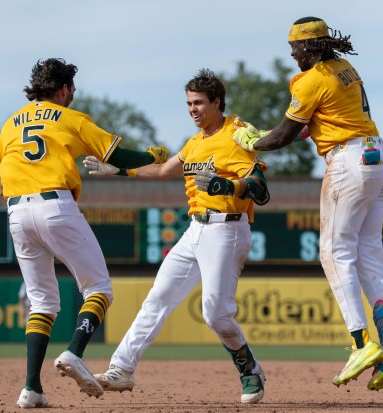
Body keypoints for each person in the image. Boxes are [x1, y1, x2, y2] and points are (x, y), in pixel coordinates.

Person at [232, 17, 383, 391]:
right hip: (379, 156)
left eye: (295, 46)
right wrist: (271, 135)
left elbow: (286, 134)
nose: (291, 52)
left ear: (311, 46)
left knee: (334, 252)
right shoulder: (345, 68)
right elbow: (312, 123)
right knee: (368, 254)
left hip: (349, 162)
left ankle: (361, 343)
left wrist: (253, 141)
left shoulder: (310, 78)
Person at [0, 57, 169, 409]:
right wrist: (150, 155)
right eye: (72, 88)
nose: (73, 94)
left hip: (16, 211)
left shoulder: (11, 123)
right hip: (56, 205)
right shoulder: (71, 118)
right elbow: (117, 155)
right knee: (98, 287)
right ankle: (74, 351)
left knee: (41, 303)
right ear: (65, 88)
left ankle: (31, 388)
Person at [83, 69, 270, 404]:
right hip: (195, 229)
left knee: (216, 314)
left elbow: (259, 187)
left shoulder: (235, 135)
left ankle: (249, 369)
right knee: (158, 297)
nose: (192, 109)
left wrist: (228, 185)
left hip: (227, 228)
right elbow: (163, 170)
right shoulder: (195, 143)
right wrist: (120, 170)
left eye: (199, 102)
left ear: (217, 102)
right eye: (188, 103)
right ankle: (122, 368)